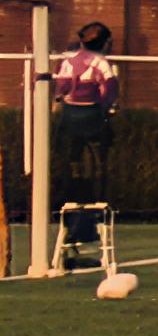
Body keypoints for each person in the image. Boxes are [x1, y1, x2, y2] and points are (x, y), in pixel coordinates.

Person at [52, 21, 120, 243]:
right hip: (91, 116)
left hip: (70, 117)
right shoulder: (101, 63)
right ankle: (95, 209)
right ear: (104, 43)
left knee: (72, 164)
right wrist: (104, 109)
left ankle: (71, 209)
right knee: (99, 165)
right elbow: (110, 91)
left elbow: (61, 89)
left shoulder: (67, 61)